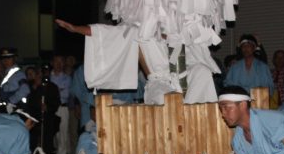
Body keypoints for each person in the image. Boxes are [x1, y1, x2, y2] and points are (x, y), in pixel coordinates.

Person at [55, 19, 220, 105]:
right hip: (159, 83)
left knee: (202, 72)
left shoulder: (177, 29)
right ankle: (182, 115)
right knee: (170, 100)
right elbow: (107, 33)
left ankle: (192, 113)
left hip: (180, 77)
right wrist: (76, 29)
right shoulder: (138, 30)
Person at [50, 55, 72, 154]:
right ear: (52, 63)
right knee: (53, 135)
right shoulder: (48, 77)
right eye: (56, 61)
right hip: (50, 109)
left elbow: (66, 94)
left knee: (62, 134)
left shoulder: (67, 78)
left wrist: (55, 91)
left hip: (62, 108)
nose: (58, 64)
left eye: (61, 62)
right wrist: (59, 90)